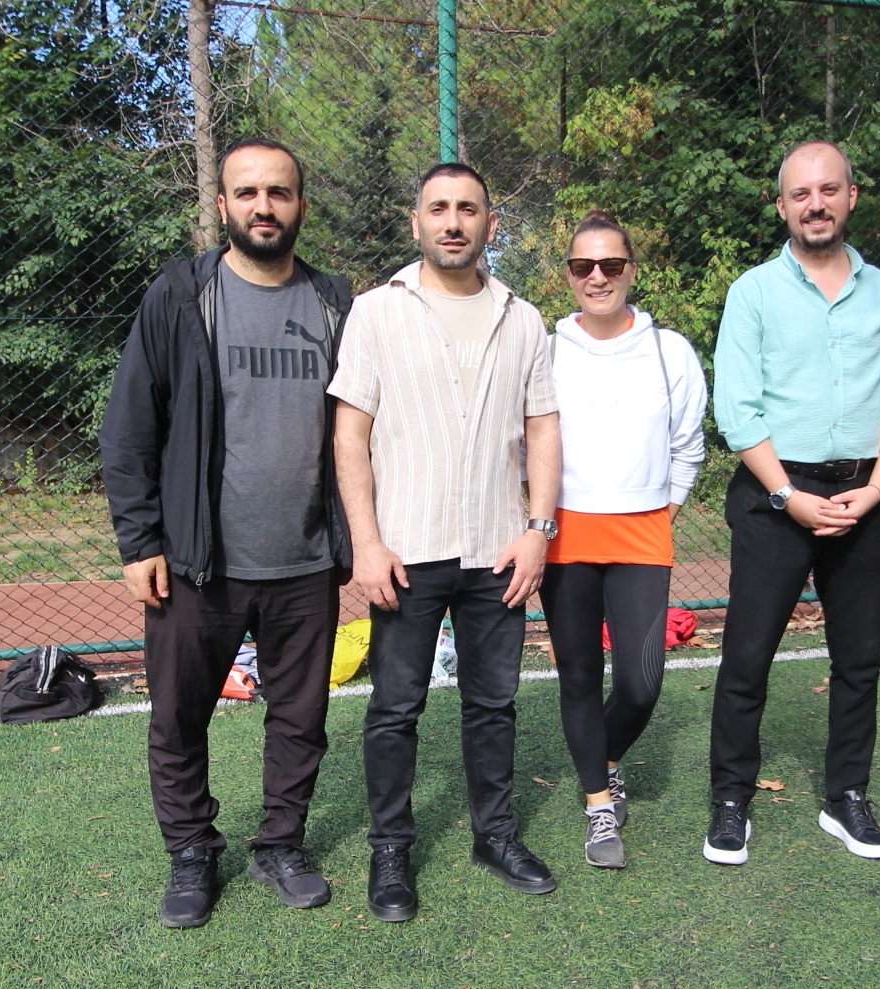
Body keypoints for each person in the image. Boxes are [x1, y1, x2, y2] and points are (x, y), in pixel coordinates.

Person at [99, 138, 352, 928]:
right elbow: (129, 427)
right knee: (179, 716)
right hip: (196, 562)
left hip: (306, 559)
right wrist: (140, 540)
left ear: (301, 205)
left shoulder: (336, 303)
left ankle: (281, 844)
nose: (263, 207)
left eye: (278, 192)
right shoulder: (180, 295)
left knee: (300, 720)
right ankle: (191, 851)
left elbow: (366, 430)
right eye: (247, 192)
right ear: (222, 205)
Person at [329, 162, 562, 922]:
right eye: (438, 208)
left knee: (493, 704)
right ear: (417, 221)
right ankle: (390, 850)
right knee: (395, 708)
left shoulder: (522, 319)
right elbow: (350, 435)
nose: (453, 222)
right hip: (406, 549)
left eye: (467, 209)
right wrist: (366, 543)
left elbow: (542, 429)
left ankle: (495, 836)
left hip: (498, 549)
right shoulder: (376, 312)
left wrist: (538, 531)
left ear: (491, 223)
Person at [705, 140, 880, 865]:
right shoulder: (753, 292)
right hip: (775, 495)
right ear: (782, 206)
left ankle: (846, 796)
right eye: (800, 193)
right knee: (747, 655)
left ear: (851, 196)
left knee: (860, 658)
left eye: (828, 190)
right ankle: (730, 800)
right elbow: (738, 408)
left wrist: (875, 490)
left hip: (863, 493)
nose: (815, 204)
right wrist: (787, 495)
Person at [537, 211, 706, 869]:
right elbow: (524, 445)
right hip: (564, 535)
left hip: (641, 532)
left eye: (611, 264)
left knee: (640, 684)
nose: (597, 276)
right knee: (579, 676)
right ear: (569, 275)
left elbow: (687, 443)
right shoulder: (547, 351)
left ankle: (603, 760)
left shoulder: (670, 351)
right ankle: (598, 806)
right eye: (583, 266)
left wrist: (665, 509)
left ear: (632, 270)